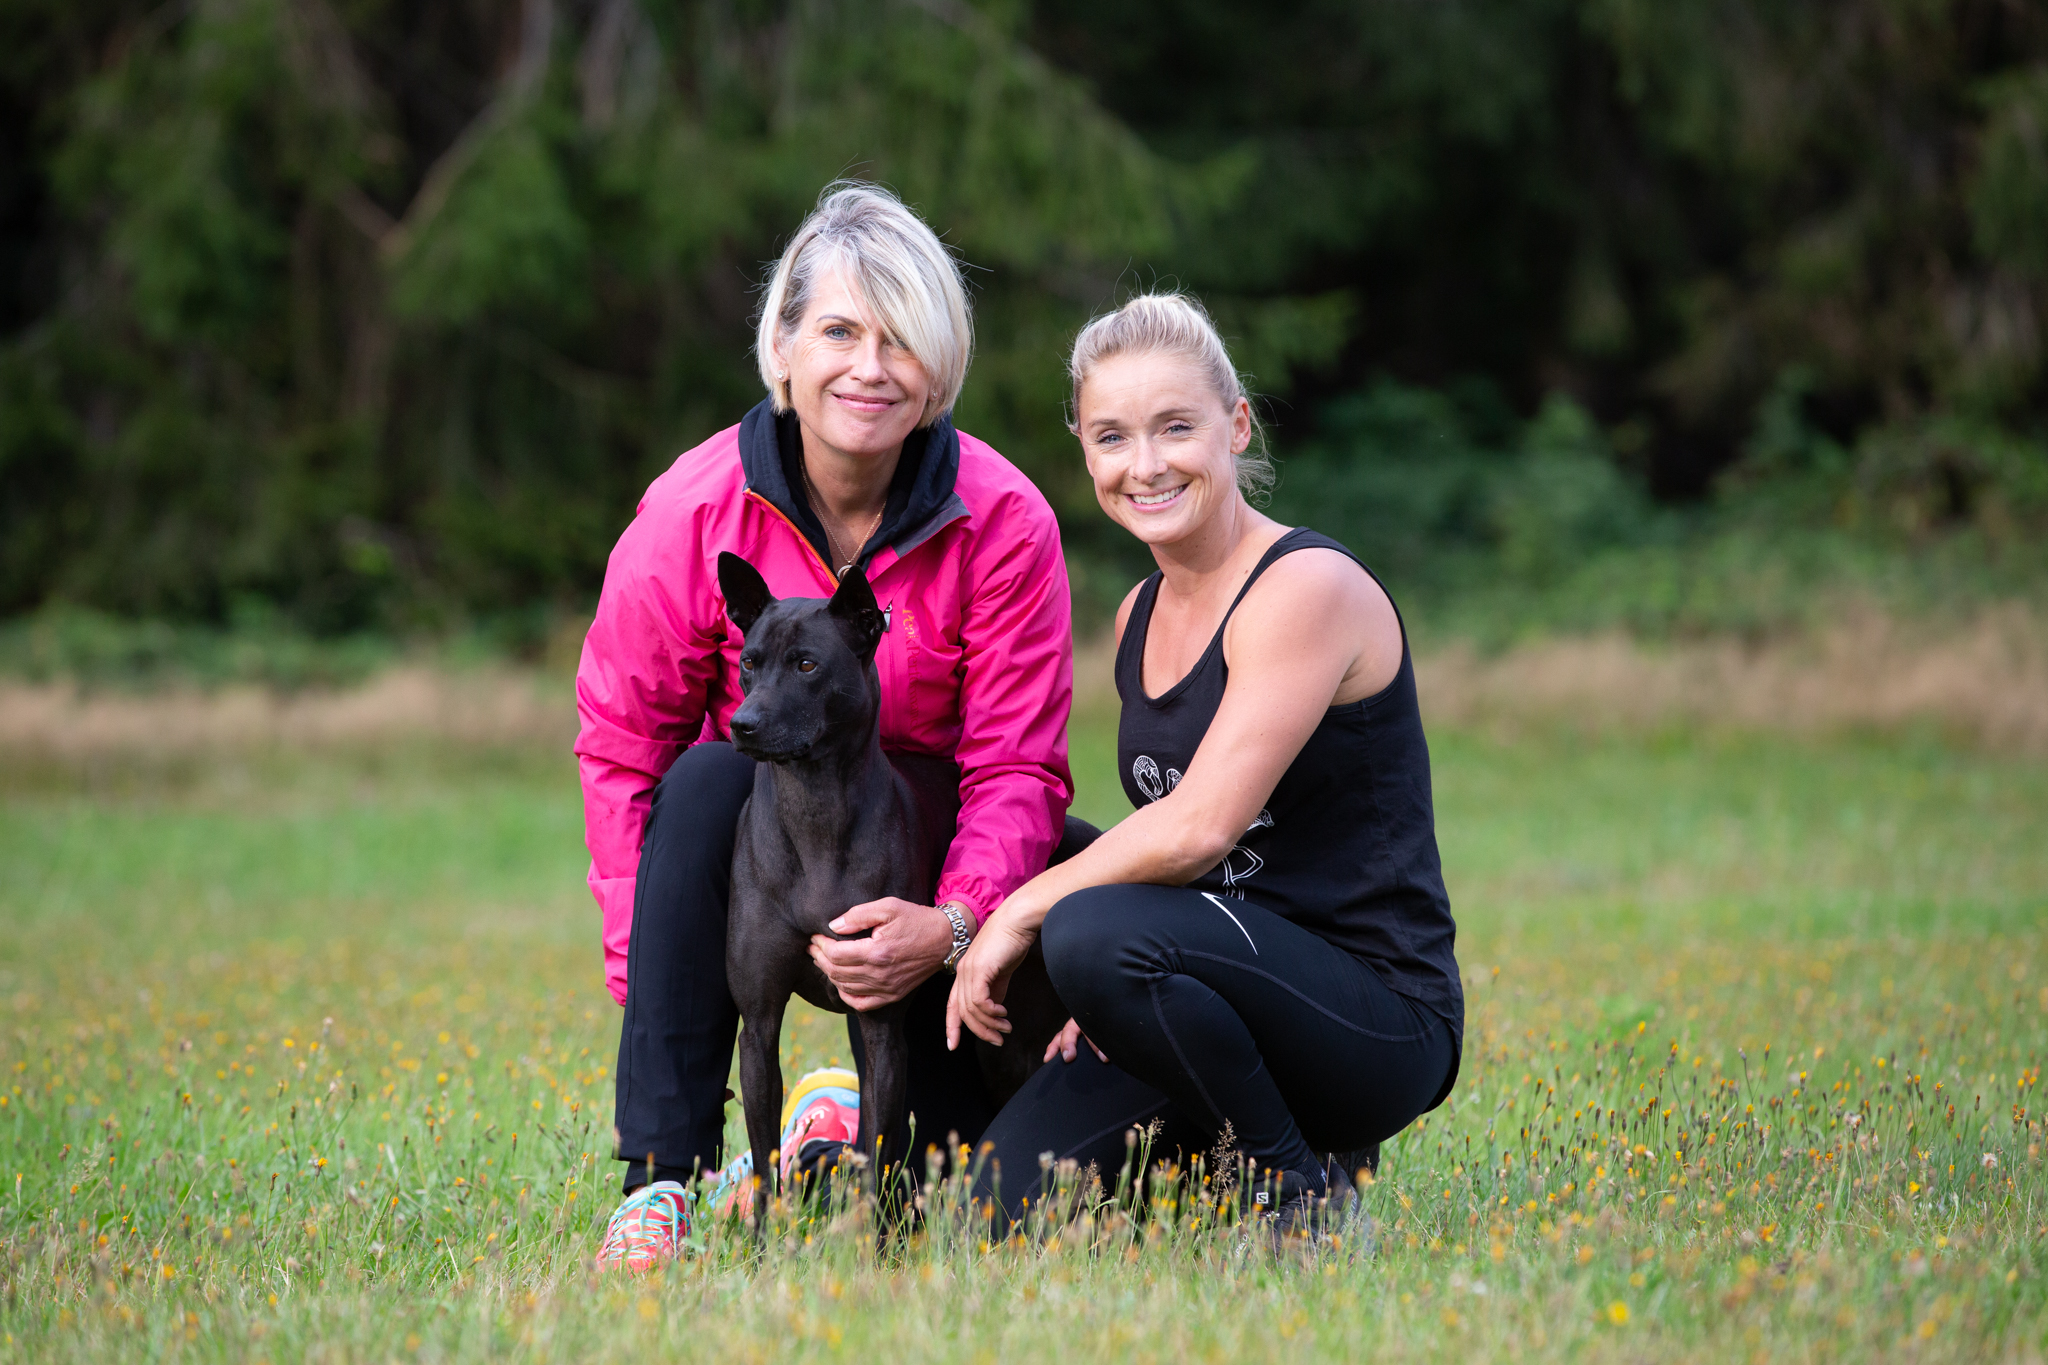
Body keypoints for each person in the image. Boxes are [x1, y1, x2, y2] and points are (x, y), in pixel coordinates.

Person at [577, 183, 1079, 1270]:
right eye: (840, 331)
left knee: (960, 1173)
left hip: (931, 846)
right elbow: (623, 743)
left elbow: (1017, 768)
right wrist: (653, 969)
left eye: (901, 340)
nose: (869, 367)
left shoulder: (1003, 520)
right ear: (783, 347)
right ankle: (660, 1181)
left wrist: (953, 923)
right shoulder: (692, 510)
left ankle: (848, 1116)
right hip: (761, 829)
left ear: (939, 366)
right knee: (704, 780)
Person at [946, 293, 1464, 1235]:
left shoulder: (1305, 587)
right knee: (996, 1209)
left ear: (1237, 426)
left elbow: (1200, 827)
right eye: (1112, 436)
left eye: (1175, 427)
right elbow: (1167, 856)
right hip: (1220, 991)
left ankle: (1299, 1193)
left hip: (1375, 1020)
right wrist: (1126, 993)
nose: (1145, 464)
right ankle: (1234, 1160)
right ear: (1086, 453)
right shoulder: (1135, 615)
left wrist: (1032, 913)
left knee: (1081, 919)